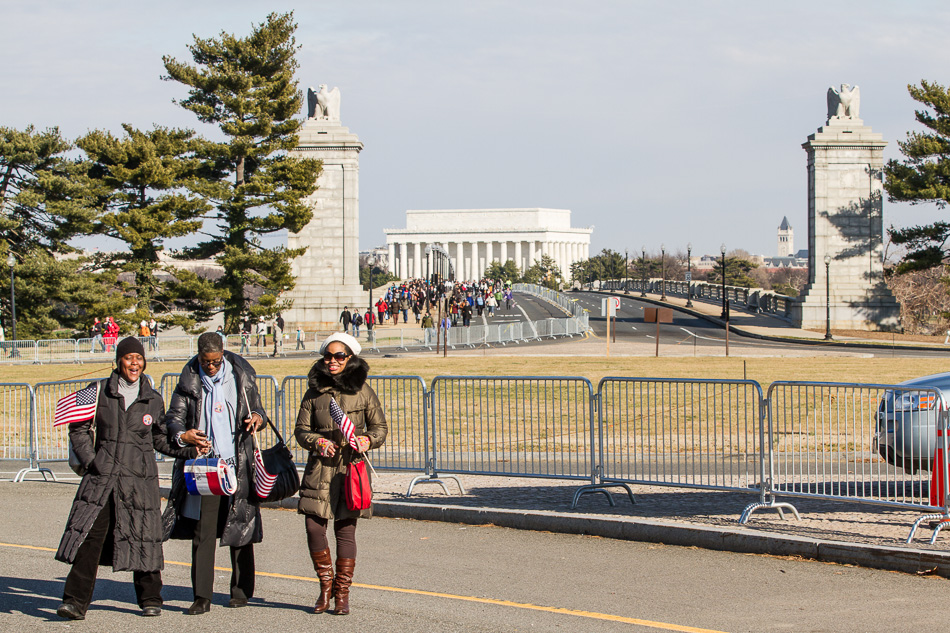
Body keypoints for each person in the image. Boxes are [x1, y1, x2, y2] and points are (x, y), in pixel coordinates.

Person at [55, 337, 193, 620]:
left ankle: (151, 599)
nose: (134, 363)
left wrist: (188, 447)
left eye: (139, 358)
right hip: (103, 478)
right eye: (129, 358)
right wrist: (93, 461)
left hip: (139, 479)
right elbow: (78, 429)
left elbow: (159, 438)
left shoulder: (152, 398)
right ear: (119, 361)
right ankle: (74, 602)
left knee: (144, 535)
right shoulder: (98, 393)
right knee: (90, 537)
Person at [162, 332, 268, 615]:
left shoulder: (240, 376)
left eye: (215, 361)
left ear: (223, 353)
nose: (211, 367)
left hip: (237, 463)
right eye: (205, 362)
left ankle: (241, 590)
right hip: (205, 466)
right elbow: (173, 418)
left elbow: (259, 410)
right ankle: (201, 596)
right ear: (198, 357)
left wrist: (258, 418)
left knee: (240, 525)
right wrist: (184, 434)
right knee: (203, 531)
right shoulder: (189, 381)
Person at [295, 332, 387, 616]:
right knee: (314, 526)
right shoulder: (314, 392)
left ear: (351, 359)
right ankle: (325, 586)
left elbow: (379, 429)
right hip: (320, 468)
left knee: (345, 531)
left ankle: (342, 593)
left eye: (339, 356)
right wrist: (317, 442)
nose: (332, 361)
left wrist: (367, 441)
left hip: (351, 469)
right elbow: (301, 431)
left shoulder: (364, 392)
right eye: (328, 356)